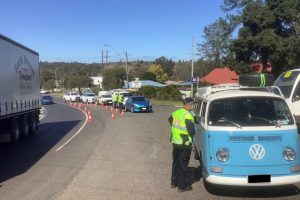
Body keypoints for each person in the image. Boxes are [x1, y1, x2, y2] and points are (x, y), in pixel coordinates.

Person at [168, 97, 195, 192]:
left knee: (175, 163)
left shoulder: (176, 112)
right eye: (193, 104)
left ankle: (173, 183)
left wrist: (176, 130)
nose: (193, 106)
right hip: (184, 144)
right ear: (190, 105)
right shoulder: (188, 115)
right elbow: (191, 131)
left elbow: (170, 120)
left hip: (175, 142)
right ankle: (182, 186)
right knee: (183, 165)